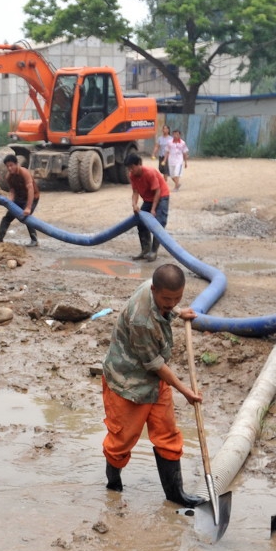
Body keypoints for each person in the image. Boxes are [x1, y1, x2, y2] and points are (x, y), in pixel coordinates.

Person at [101, 263, 207, 507]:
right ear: (154, 289)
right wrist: (185, 391)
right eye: (166, 299)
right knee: (121, 441)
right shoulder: (142, 320)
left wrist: (179, 312)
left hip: (155, 382)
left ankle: (175, 495)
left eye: (177, 298)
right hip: (127, 383)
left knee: (167, 433)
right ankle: (113, 486)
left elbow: (157, 367)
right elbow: (154, 363)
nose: (171, 303)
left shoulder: (156, 290)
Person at [126, 152, 170, 262]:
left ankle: (153, 251)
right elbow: (135, 192)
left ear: (139, 164)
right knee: (140, 223)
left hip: (161, 196)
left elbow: (157, 191)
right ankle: (145, 250)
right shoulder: (132, 176)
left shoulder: (149, 173)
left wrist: (153, 209)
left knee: (159, 223)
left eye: (132, 167)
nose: (130, 170)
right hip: (148, 199)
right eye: (129, 168)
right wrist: (134, 205)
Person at [0, 154, 39, 246]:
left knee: (27, 217)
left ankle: (34, 240)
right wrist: (10, 201)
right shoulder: (8, 177)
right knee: (7, 218)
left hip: (32, 197)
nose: (9, 168)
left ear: (17, 164)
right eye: (7, 166)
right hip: (19, 198)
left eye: (11, 165)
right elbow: (12, 190)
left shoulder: (24, 173)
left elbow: (30, 189)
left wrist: (28, 207)